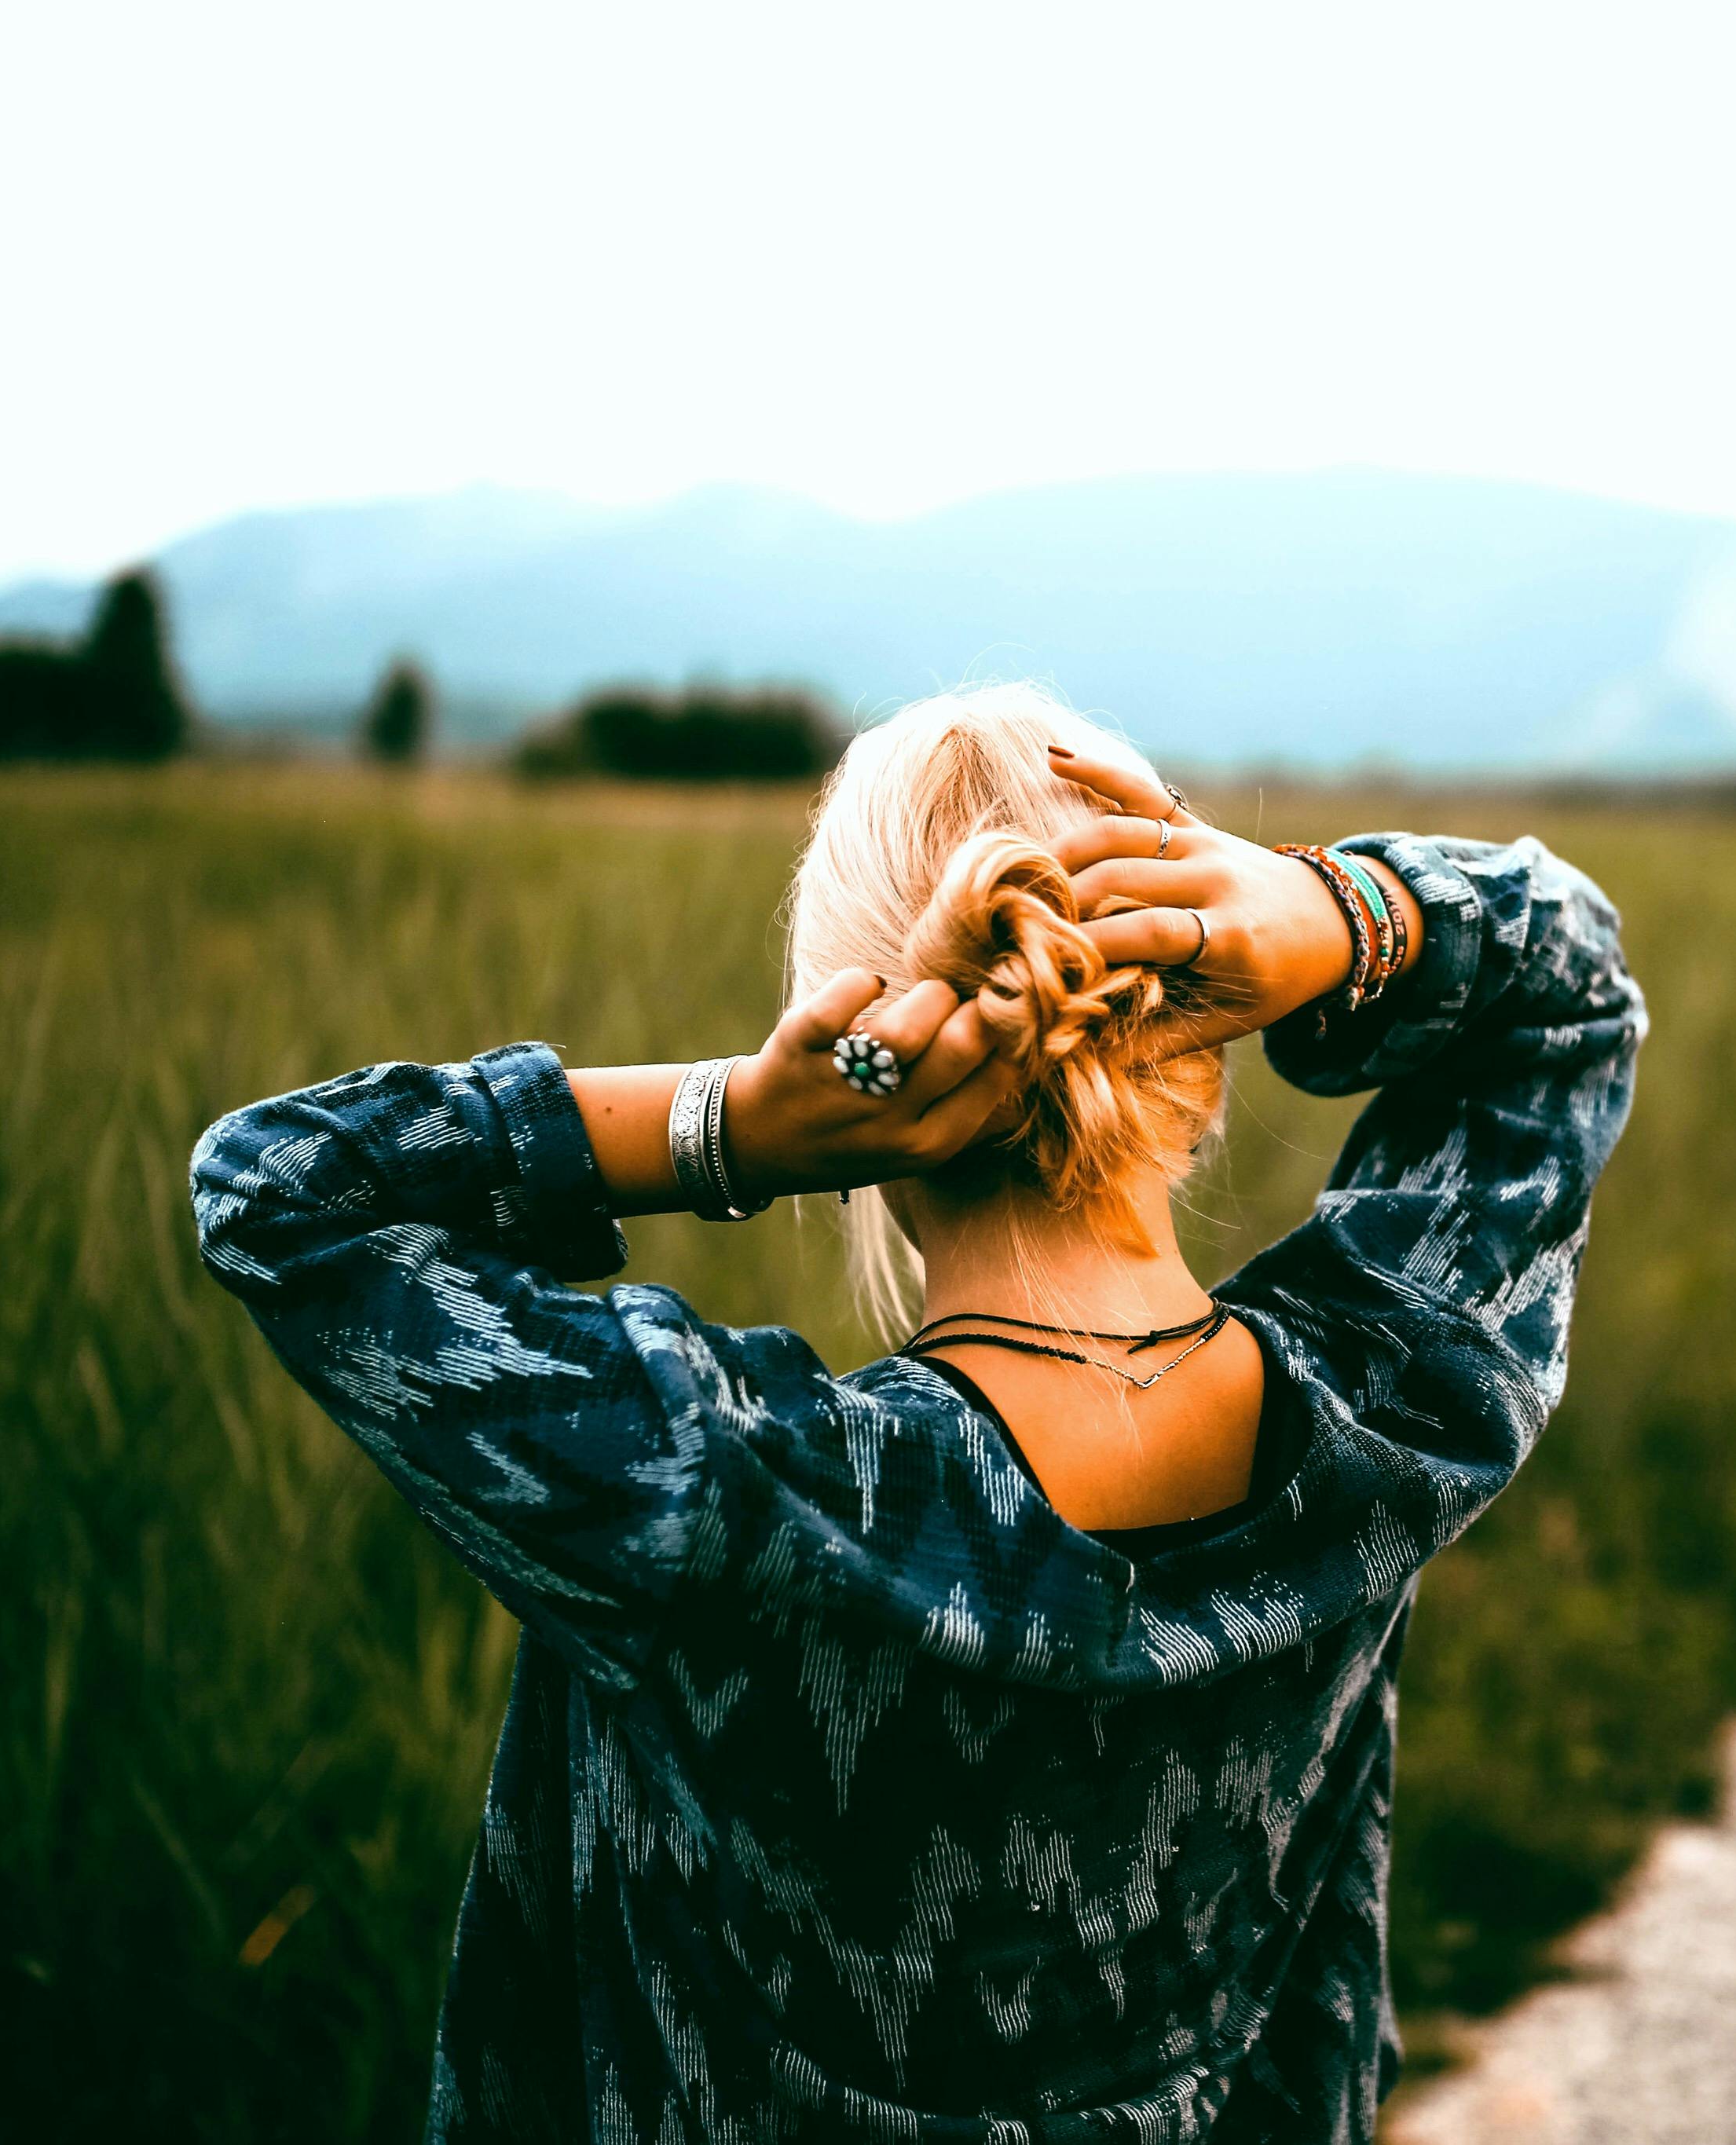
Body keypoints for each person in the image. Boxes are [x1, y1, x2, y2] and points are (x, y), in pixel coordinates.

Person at [190, 684, 1644, 2143]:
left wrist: (733, 1125)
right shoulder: (1401, 1406)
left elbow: (280, 1192)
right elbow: (1571, 992)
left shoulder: (723, 1494)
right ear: (1210, 1044)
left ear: (857, 1072)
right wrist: (1342, 918)